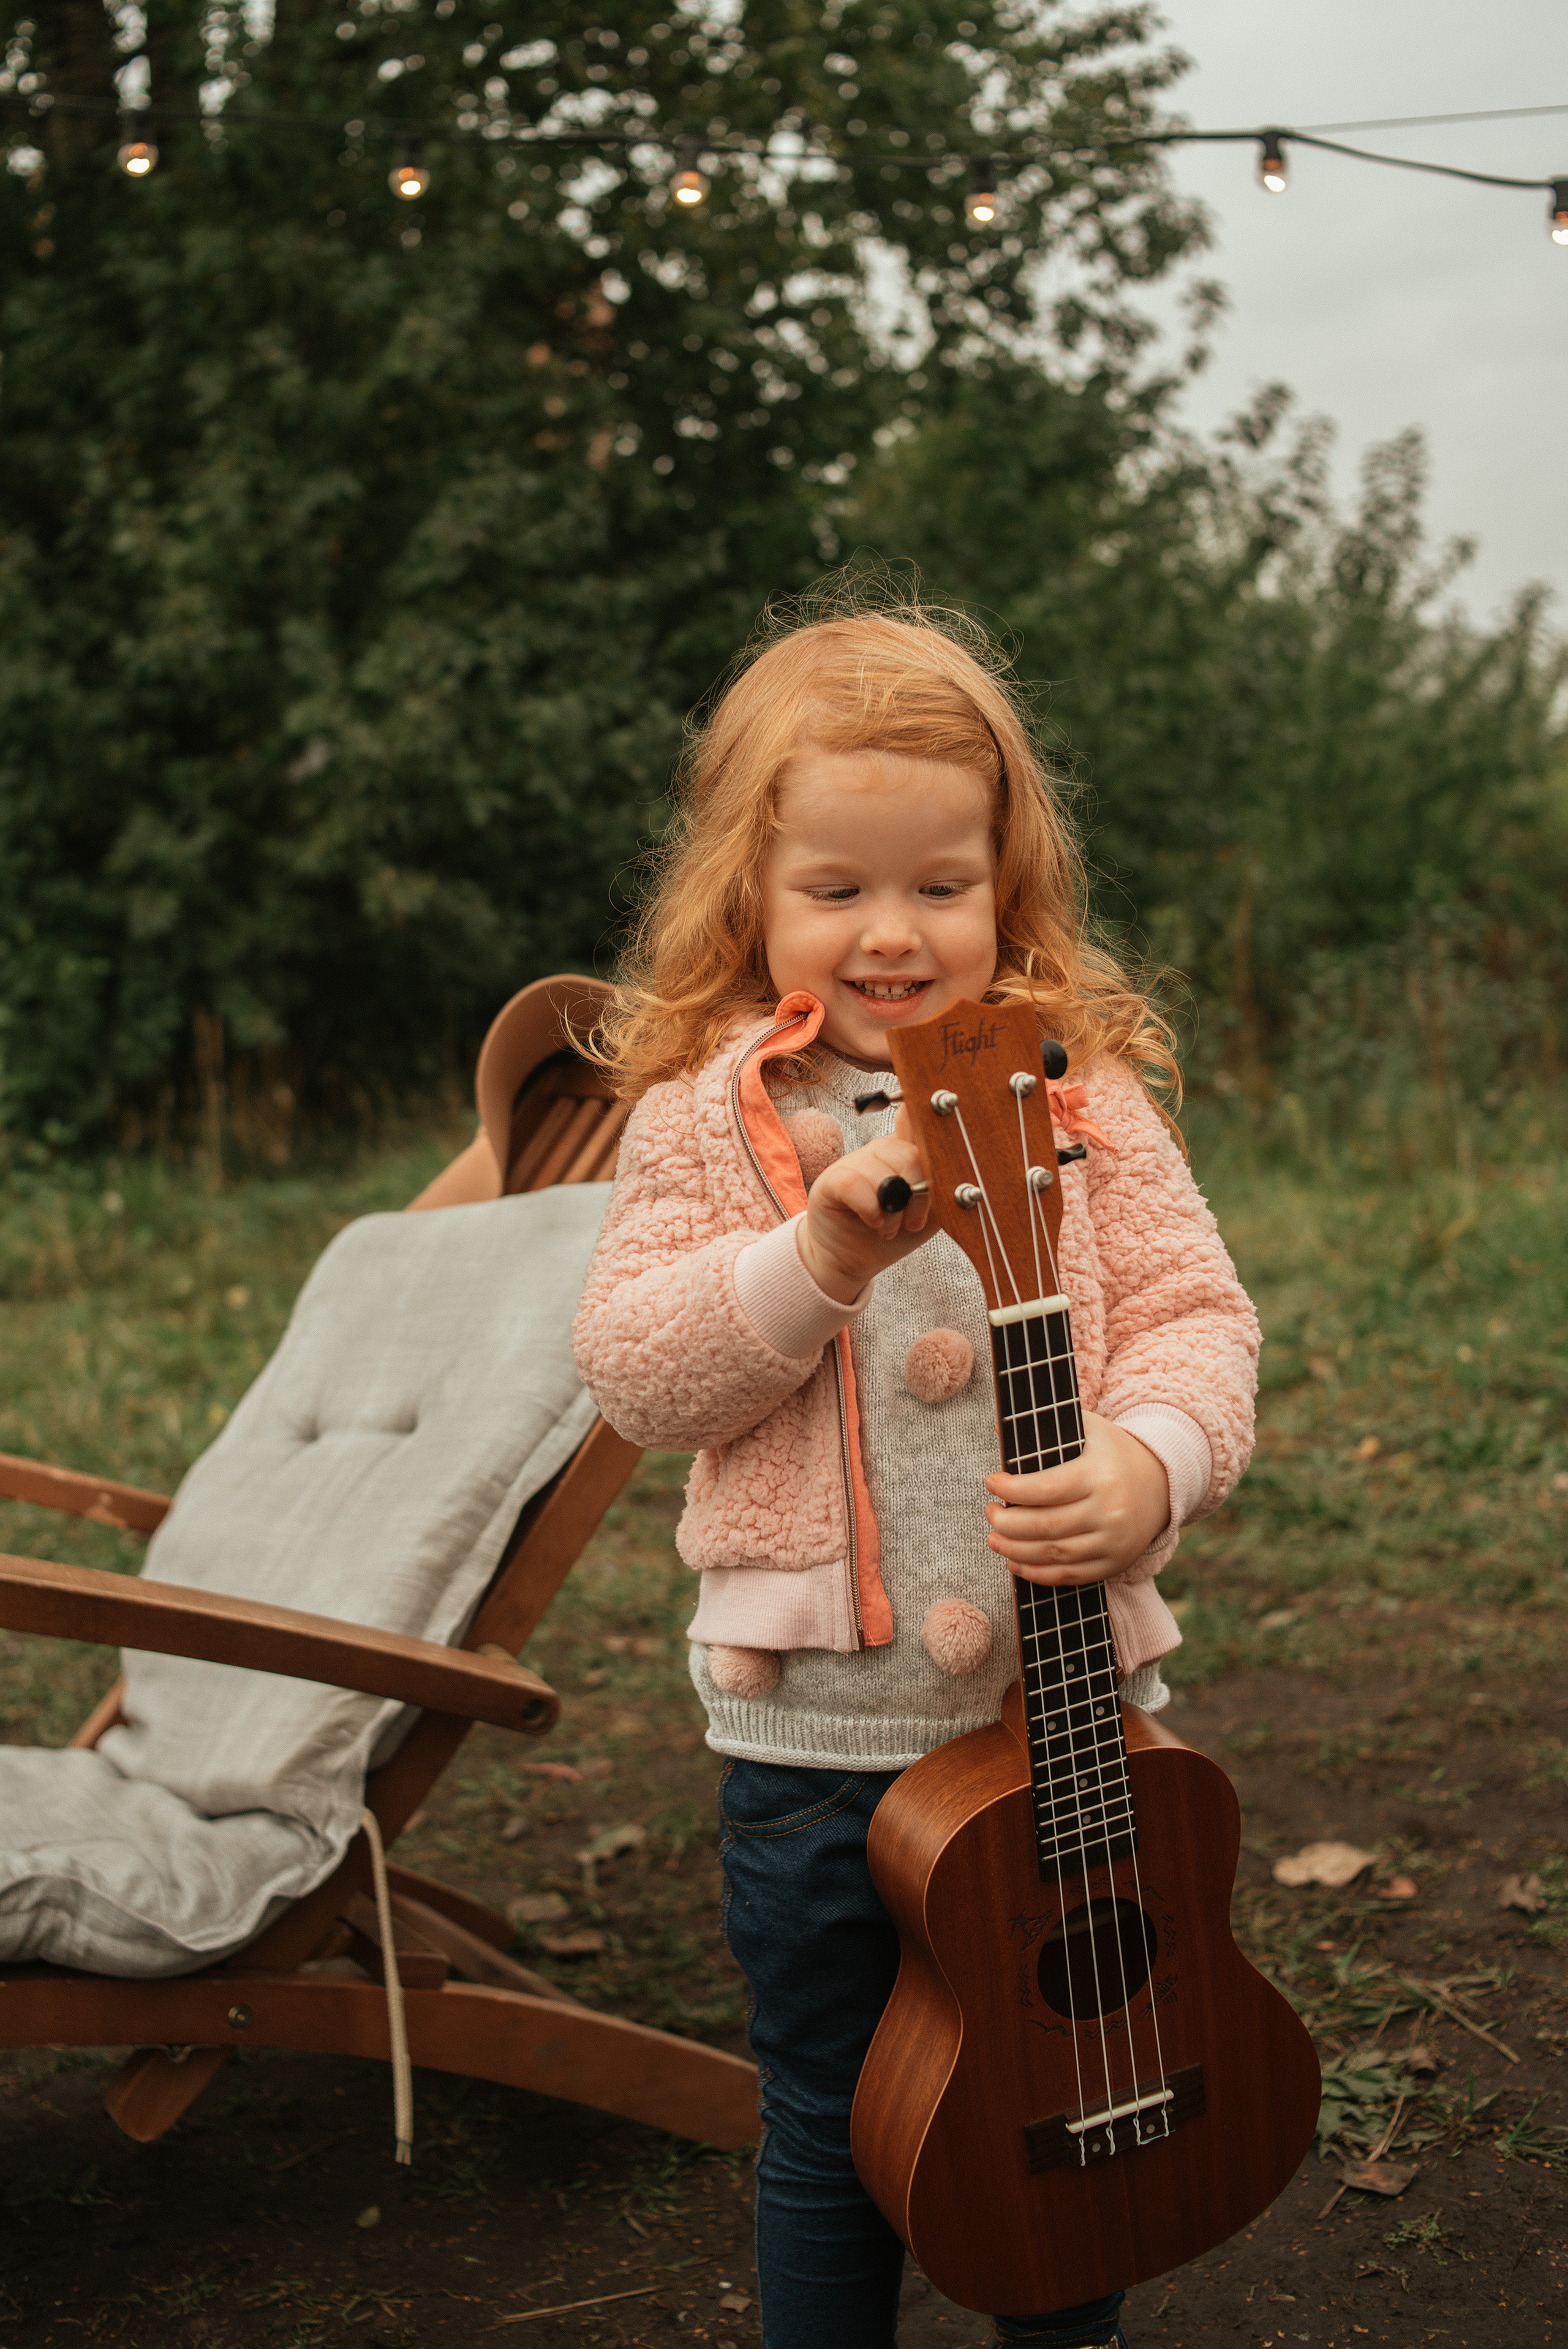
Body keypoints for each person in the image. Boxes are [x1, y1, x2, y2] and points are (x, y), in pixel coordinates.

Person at [571, 593, 1260, 2349]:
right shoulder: (708, 1119)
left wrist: (1154, 1460)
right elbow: (636, 1367)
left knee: (1078, 2078)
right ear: (753, 894)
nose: (895, 931)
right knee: (828, 2119)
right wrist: (808, 1259)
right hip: (820, 1744)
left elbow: (1199, 1318)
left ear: (1007, 886)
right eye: (839, 888)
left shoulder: (1084, 1094)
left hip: (1065, 1729)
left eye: (940, 886)